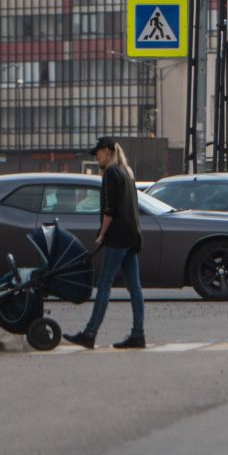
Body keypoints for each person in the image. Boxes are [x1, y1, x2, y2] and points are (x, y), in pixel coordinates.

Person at [65, 137, 146, 350]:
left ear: (108, 151)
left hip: (118, 237)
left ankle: (90, 334)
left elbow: (110, 209)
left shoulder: (111, 173)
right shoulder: (126, 173)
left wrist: (102, 234)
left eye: (98, 153)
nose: (96, 157)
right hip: (132, 236)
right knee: (135, 287)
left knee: (104, 284)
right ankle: (138, 334)